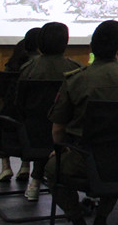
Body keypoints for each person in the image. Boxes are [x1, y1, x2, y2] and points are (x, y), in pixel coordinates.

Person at [45, 20, 118, 225]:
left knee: (52, 168)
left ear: (91, 47)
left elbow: (58, 128)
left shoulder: (76, 80)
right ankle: (101, 222)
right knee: (115, 157)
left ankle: (78, 224)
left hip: (84, 160)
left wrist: (60, 150)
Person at [18, 22, 82, 201]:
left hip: (32, 134)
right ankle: (38, 179)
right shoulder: (76, 70)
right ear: (65, 43)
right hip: (66, 136)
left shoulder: (28, 69)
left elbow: (18, 105)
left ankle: (36, 179)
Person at [0, 26, 42, 183]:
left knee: (2, 121)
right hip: (38, 123)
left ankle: (5, 166)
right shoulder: (40, 69)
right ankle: (26, 166)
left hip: (10, 120)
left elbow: (3, 97)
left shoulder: (12, 68)